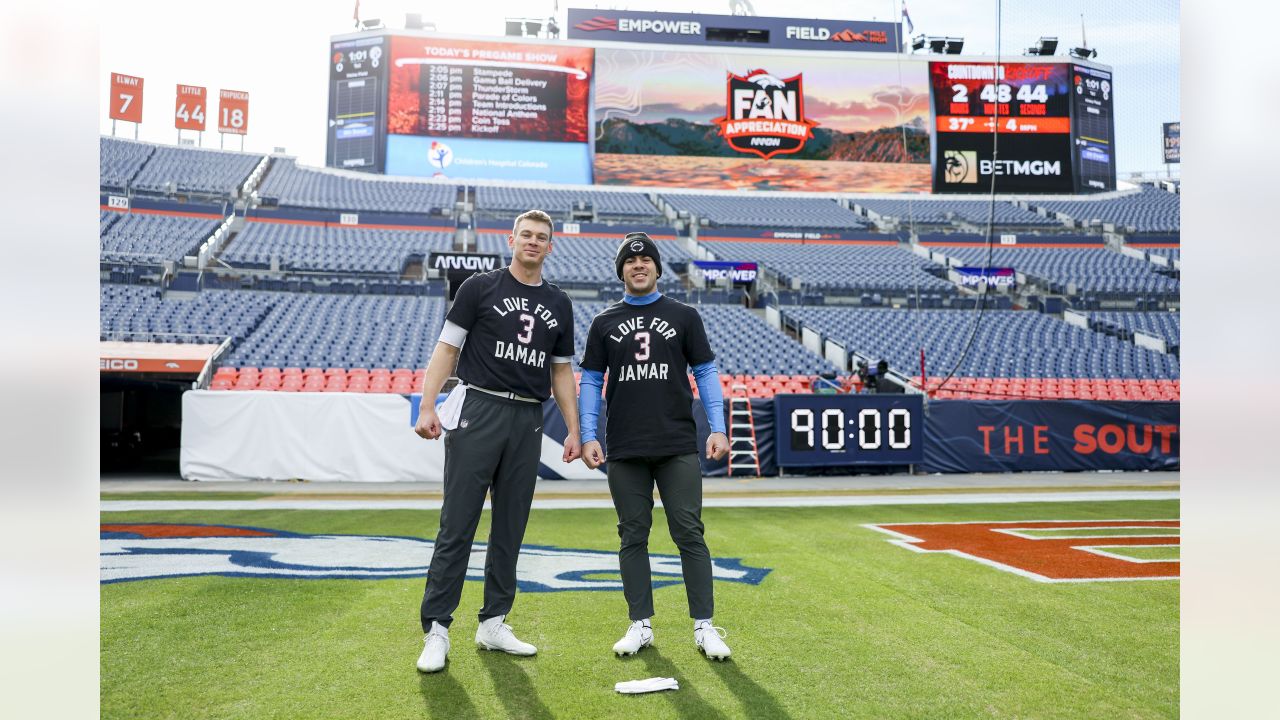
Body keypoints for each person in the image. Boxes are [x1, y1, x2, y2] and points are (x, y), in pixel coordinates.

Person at [412, 209, 581, 673]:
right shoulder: (479, 288)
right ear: (511, 240)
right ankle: (437, 630)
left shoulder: (560, 302)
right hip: (479, 407)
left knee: (510, 526)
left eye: (541, 237)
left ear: (551, 247)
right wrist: (428, 405)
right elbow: (447, 349)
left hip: (528, 415)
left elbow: (561, 370)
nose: (532, 242)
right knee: (458, 523)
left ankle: (493, 622)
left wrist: (573, 427)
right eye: (525, 235)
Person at [577, 232, 733, 661]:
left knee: (689, 533)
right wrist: (589, 434)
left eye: (646, 259)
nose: (638, 265)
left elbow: (705, 372)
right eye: (630, 260)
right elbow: (591, 381)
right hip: (625, 445)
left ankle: (704, 626)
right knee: (632, 535)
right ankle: (640, 623)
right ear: (621, 270)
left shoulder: (684, 315)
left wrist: (717, 428)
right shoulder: (603, 322)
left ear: (658, 268)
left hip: (676, 442)